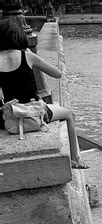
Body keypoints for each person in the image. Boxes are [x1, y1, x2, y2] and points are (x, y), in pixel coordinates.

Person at [0, 19, 88, 169]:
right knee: (68, 114)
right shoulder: (26, 56)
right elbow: (57, 73)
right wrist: (33, 56)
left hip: (8, 118)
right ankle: (75, 160)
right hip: (33, 113)